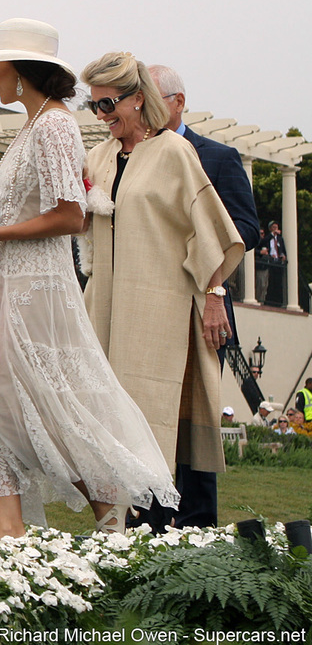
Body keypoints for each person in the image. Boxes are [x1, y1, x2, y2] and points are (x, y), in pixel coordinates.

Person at [0, 20, 176, 538]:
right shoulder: (31, 127)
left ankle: (112, 522)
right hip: (5, 281)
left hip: (37, 287)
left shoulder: (54, 126)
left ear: (23, 72)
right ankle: (10, 530)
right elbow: (28, 202)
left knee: (50, 400)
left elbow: (72, 215)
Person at [81, 51, 244, 531]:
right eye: (94, 107)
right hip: (106, 305)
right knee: (105, 417)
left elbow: (210, 231)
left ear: (138, 99)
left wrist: (215, 296)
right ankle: (116, 533)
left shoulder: (175, 152)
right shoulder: (99, 157)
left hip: (159, 305)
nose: (102, 116)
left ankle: (167, 533)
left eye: (109, 104)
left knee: (155, 414)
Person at [148, 64, 259, 525]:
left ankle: (197, 526)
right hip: (150, 306)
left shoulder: (217, 157)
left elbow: (246, 228)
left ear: (178, 102)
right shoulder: (134, 156)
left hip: (200, 306)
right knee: (151, 415)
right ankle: (149, 524)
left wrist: (205, 264)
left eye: (155, 100)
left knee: (195, 419)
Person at [258, 221, 287, 305]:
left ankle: (278, 301)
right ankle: (267, 301)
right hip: (269, 262)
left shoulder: (280, 239)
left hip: (278, 262)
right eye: (273, 227)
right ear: (270, 229)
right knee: (269, 283)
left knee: (278, 282)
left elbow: (282, 249)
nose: (275, 229)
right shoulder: (268, 238)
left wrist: (283, 255)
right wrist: (272, 234)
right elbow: (262, 243)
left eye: (276, 228)